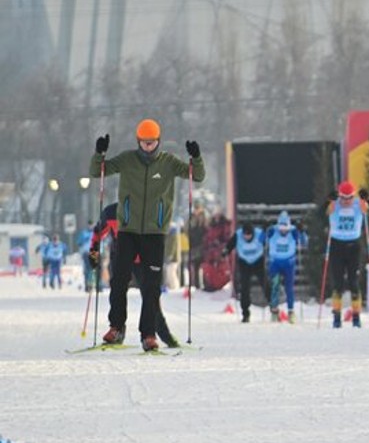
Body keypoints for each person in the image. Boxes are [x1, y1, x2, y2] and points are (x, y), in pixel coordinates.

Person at [89, 118, 203, 351]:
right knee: (119, 280)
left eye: (151, 143)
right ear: (138, 141)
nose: (148, 147)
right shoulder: (128, 160)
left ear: (158, 141)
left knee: (151, 287)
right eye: (143, 142)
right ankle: (116, 327)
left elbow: (196, 175)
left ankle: (148, 335)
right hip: (128, 230)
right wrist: (99, 153)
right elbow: (97, 171)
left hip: (154, 232)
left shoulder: (168, 162)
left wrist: (196, 157)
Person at [89, 202, 179, 348]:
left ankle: (161, 335)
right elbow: (98, 233)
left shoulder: (145, 209)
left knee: (150, 295)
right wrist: (93, 255)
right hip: (120, 256)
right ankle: (117, 330)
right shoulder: (111, 212)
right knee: (117, 289)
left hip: (142, 259)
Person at [324, 180, 369, 329]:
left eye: (349, 197)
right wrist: (327, 201)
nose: (346, 201)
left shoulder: (358, 204)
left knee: (354, 282)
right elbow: (319, 215)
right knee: (337, 283)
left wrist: (368, 200)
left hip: (354, 247)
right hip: (337, 246)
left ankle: (356, 317)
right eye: (343, 197)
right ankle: (336, 317)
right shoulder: (334, 204)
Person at [222, 221, 267, 323]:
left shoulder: (259, 234)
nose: (247, 237)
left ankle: (273, 307)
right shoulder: (238, 235)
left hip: (258, 262)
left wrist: (266, 230)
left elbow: (268, 240)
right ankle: (245, 313)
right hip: (244, 263)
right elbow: (230, 245)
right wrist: (226, 251)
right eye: (245, 235)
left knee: (265, 283)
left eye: (249, 235)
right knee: (245, 288)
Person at [266, 211, 306, 323]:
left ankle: (291, 312)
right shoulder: (273, 231)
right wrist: (265, 229)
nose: (283, 230)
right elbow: (261, 240)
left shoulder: (293, 232)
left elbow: (304, 242)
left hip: (289, 264)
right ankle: (274, 312)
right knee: (275, 286)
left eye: (285, 228)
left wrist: (301, 231)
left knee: (289, 288)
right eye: (281, 228)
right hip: (275, 263)